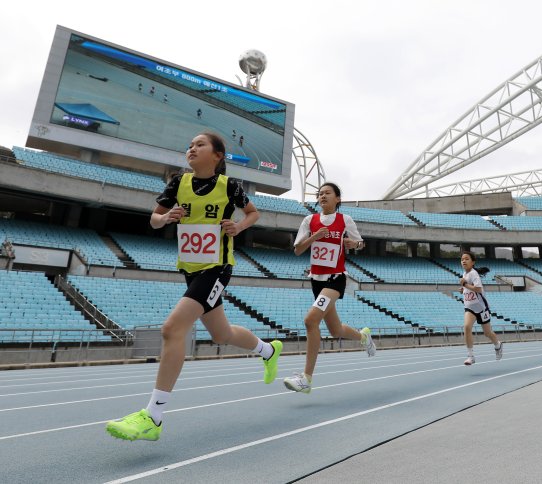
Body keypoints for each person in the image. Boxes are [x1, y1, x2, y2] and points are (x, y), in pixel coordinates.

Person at [105, 132, 282, 441]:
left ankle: (153, 416)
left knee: (172, 329)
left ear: (217, 156)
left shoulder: (229, 187)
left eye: (200, 145)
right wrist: (167, 217)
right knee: (221, 334)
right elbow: (154, 219)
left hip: (217, 268)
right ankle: (268, 350)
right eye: (189, 145)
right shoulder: (178, 183)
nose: (192, 149)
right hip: (190, 268)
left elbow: (253, 213)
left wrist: (238, 226)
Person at [283, 182, 375, 394]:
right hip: (317, 280)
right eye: (320, 193)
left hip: (335, 279)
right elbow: (297, 250)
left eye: (327, 193)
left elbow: (360, 243)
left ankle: (306, 378)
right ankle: (363, 337)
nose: (322, 196)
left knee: (310, 320)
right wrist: (315, 236)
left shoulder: (345, 220)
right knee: (335, 330)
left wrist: (354, 244)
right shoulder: (310, 220)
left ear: (338, 199)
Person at [459, 251, 502, 365]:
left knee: (487, 333)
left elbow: (478, 289)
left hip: (481, 308)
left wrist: (465, 285)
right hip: (469, 307)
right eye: (462, 259)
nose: (464, 260)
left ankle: (498, 345)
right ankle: (470, 356)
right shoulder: (464, 274)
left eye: (467, 259)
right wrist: (464, 290)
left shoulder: (474, 274)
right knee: (467, 327)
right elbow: (469, 287)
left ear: (473, 262)